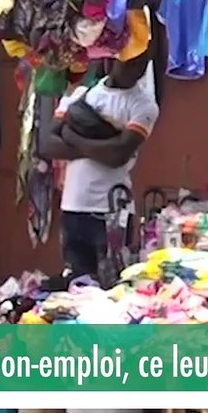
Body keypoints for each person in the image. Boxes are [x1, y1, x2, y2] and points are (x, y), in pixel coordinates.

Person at [39, 47, 158, 280]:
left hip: (112, 210)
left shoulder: (144, 106)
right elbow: (47, 145)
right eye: (130, 62)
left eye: (142, 63)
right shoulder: (80, 95)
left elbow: (117, 155)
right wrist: (100, 147)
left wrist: (72, 138)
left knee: (112, 282)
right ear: (111, 61)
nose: (136, 69)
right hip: (73, 206)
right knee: (77, 284)